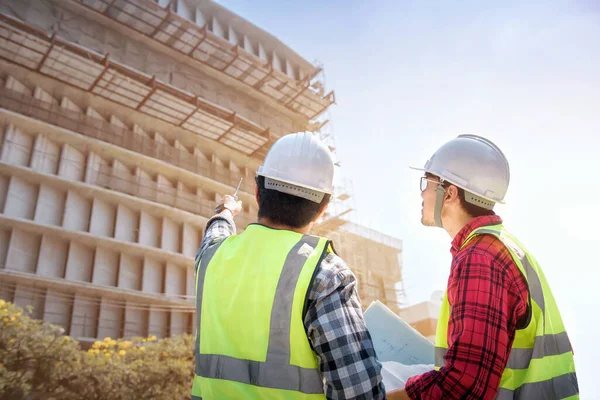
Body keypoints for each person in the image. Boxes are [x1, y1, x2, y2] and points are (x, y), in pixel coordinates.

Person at [191, 132, 386, 399]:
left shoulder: (211, 257)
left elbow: (215, 231)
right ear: (322, 210)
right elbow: (359, 393)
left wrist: (226, 210)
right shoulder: (325, 273)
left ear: (258, 193)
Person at [387, 135, 578, 399]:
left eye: (427, 183)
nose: (421, 193)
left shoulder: (481, 257)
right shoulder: (502, 247)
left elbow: (465, 386)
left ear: (450, 193)